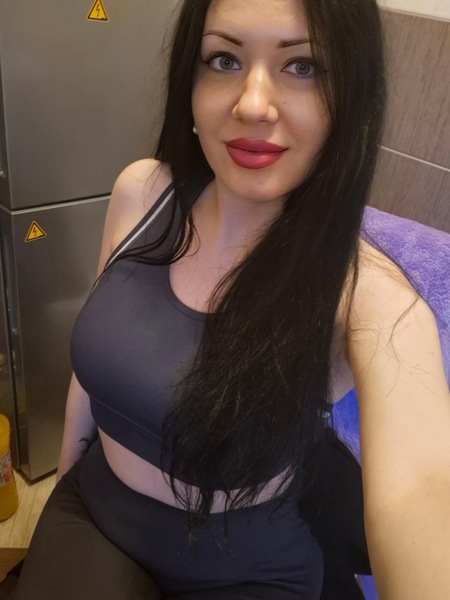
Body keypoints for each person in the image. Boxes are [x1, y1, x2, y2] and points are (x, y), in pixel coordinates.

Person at [13, 0, 450, 598]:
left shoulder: (371, 297)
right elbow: (89, 375)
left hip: (246, 569)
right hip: (95, 513)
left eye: (303, 67)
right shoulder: (143, 193)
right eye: (224, 59)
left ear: (352, 96)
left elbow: (424, 492)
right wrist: (64, 491)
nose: (252, 104)